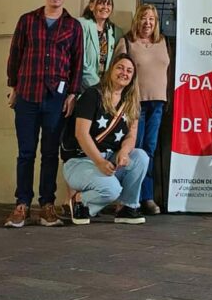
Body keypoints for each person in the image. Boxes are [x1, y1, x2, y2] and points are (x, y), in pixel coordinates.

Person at [4, 0, 83, 228]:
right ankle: (22, 205)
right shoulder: (27, 21)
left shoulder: (73, 26)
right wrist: (13, 86)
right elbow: (15, 54)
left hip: (55, 99)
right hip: (27, 94)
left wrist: (72, 93)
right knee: (26, 153)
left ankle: (47, 205)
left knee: (50, 153)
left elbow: (77, 62)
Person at [61, 53, 149, 225]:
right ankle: (79, 201)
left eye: (129, 71)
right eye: (120, 68)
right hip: (82, 161)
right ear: (110, 71)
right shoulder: (92, 95)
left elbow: (132, 135)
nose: (124, 73)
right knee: (112, 190)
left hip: (110, 157)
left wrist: (124, 151)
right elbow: (81, 134)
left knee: (140, 157)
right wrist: (100, 162)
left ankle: (127, 207)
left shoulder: (131, 101)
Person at [115, 4, 171, 216]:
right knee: (134, 150)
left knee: (149, 150)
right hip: (135, 104)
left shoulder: (164, 42)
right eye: (144, 18)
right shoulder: (127, 42)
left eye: (152, 19)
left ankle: (146, 196)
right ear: (137, 20)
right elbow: (118, 72)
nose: (147, 22)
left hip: (157, 104)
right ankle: (129, 198)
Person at [79, 0, 117, 88]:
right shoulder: (82, 24)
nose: (105, 7)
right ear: (91, 6)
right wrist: (96, 84)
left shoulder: (111, 30)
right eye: (101, 3)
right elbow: (80, 60)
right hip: (84, 86)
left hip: (103, 87)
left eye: (108, 4)